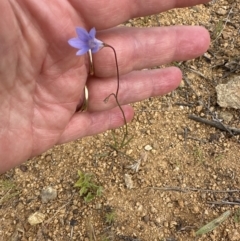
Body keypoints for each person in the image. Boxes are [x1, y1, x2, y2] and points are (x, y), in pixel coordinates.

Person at [0, 0, 210, 173]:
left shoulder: (93, 42)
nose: (91, 46)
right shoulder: (87, 44)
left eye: (91, 43)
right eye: (90, 44)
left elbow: (91, 44)